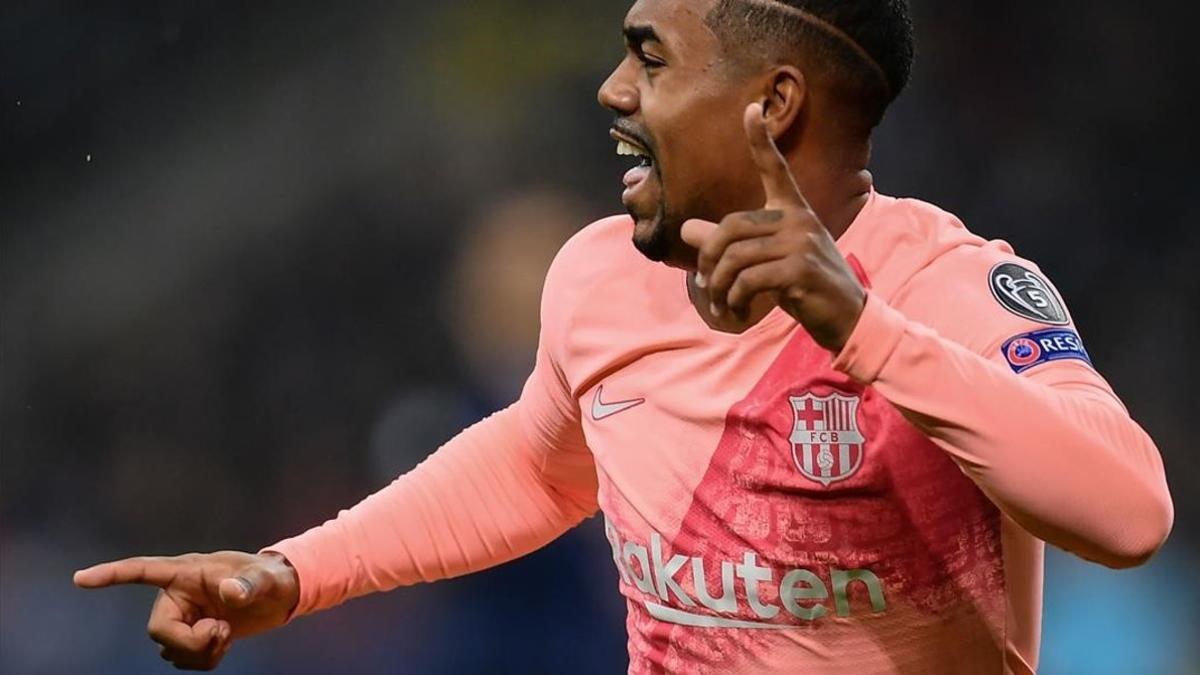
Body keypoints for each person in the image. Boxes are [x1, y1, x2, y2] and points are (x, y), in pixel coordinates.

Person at [74, 0, 1174, 672]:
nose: (612, 90)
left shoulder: (954, 289)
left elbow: (1128, 515)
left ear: (773, 103)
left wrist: (860, 328)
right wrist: (289, 574)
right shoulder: (599, 276)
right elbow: (538, 463)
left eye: (651, 58)